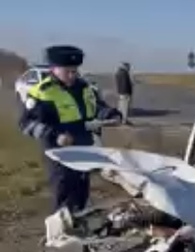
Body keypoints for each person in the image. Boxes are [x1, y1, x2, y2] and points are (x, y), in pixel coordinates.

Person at [19, 45, 122, 212]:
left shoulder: (84, 88)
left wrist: (111, 114)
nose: (73, 75)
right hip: (59, 154)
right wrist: (55, 135)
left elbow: (97, 107)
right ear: (54, 69)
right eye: (68, 71)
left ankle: (80, 229)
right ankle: (61, 234)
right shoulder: (42, 92)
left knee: (81, 193)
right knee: (64, 195)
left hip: (84, 149)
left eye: (75, 71)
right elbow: (26, 124)